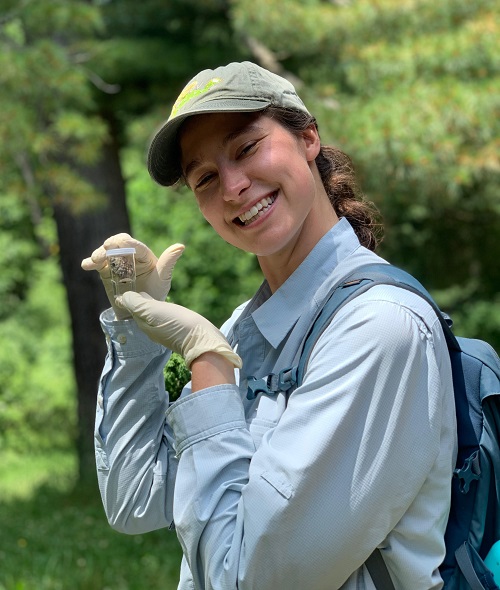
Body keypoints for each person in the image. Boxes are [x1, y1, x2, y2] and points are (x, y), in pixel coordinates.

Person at [81, 61, 457, 589]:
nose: (233, 186)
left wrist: (207, 361)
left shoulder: (378, 331)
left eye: (247, 148)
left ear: (307, 138)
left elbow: (250, 579)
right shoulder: (245, 330)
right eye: (205, 178)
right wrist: (136, 330)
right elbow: (134, 498)